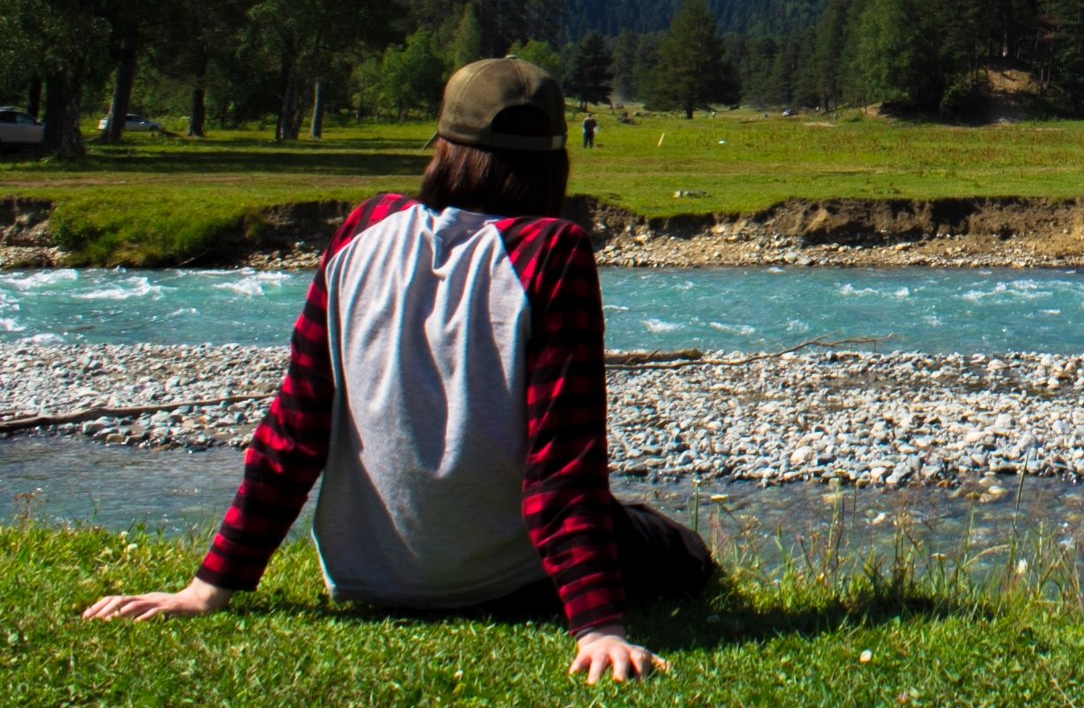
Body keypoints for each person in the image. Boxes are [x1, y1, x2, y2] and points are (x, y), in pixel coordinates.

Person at [82, 57, 712, 683]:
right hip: (503, 584)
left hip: (365, 582)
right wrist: (598, 625)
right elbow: (562, 459)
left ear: (442, 148)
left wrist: (207, 586)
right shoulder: (551, 250)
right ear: (556, 161)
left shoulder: (361, 228)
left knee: (619, 518)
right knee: (673, 545)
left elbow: (295, 429)